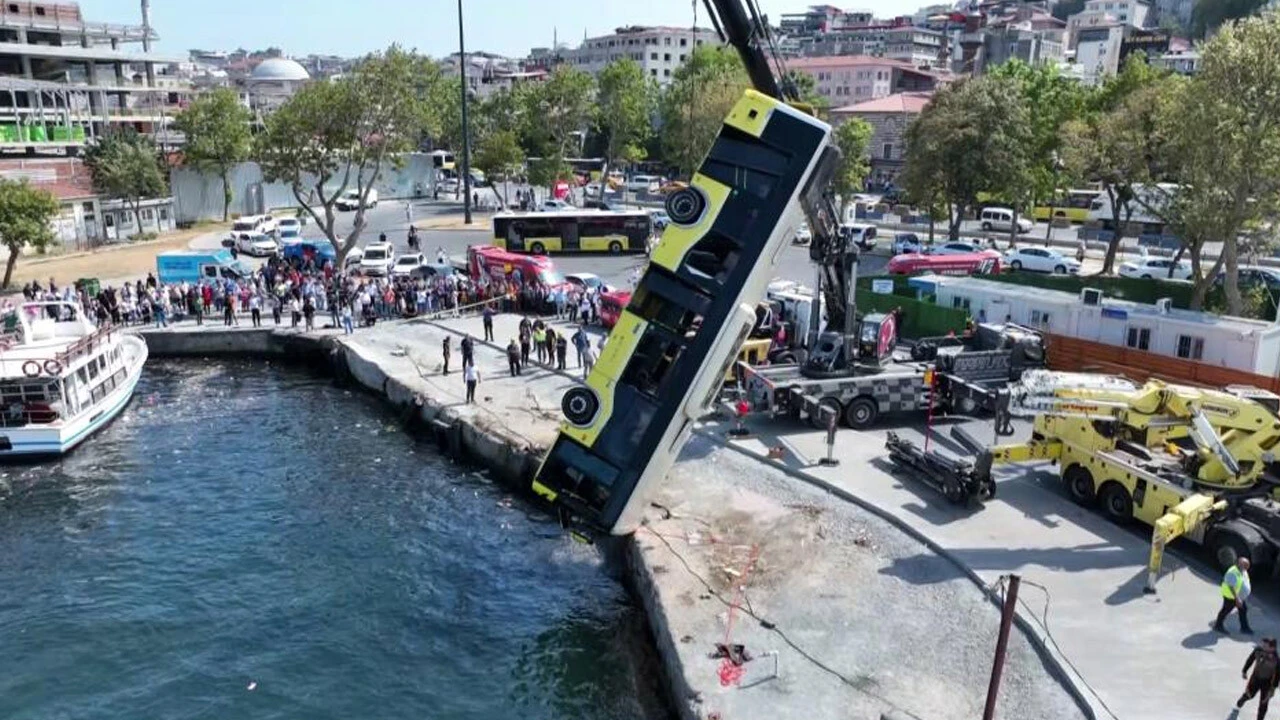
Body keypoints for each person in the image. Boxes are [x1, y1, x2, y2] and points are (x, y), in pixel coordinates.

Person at [1239, 637, 1280, 719]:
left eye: (1265, 646)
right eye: (1263, 644)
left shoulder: (1277, 660)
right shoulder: (1258, 650)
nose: (1263, 646)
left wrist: (1273, 689)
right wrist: (1244, 670)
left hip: (1267, 682)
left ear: (1272, 648)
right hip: (1256, 678)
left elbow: (1277, 675)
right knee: (1250, 695)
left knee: (1264, 703)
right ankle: (1242, 700)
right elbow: (1250, 660)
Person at [1216, 557, 1254, 634]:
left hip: (1239, 596)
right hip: (1231, 597)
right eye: (1245, 566)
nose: (1247, 568)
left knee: (1243, 610)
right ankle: (1218, 626)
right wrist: (1237, 599)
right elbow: (1231, 587)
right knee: (1226, 610)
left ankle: (1244, 628)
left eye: (1248, 566)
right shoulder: (1232, 573)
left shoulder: (1242, 570)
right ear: (1239, 564)